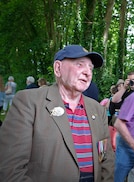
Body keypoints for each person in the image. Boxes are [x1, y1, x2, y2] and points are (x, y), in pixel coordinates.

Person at [0, 45, 114, 181]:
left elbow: (105, 156)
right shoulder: (29, 101)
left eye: (90, 68)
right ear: (58, 68)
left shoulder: (98, 109)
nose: (88, 73)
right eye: (80, 65)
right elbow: (11, 168)